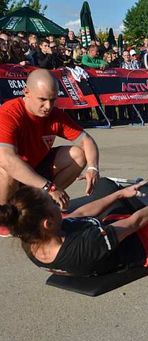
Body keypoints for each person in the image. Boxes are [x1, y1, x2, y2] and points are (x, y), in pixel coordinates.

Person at [0, 174, 148, 276]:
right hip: (147, 246)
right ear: (48, 223)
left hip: (111, 232)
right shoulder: (86, 246)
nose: (59, 206)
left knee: (106, 184)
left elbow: (79, 214)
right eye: (53, 205)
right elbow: (135, 222)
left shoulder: (31, 237)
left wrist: (120, 195)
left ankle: (147, 206)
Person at [0, 69, 100, 236]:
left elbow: (86, 140)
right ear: (26, 92)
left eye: (52, 100)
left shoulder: (55, 115)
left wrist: (93, 168)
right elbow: (7, 159)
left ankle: (38, 205)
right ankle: (4, 217)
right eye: (42, 99)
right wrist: (49, 187)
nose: (48, 106)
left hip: (32, 170)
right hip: (10, 172)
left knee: (78, 155)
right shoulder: (9, 113)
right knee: (6, 168)